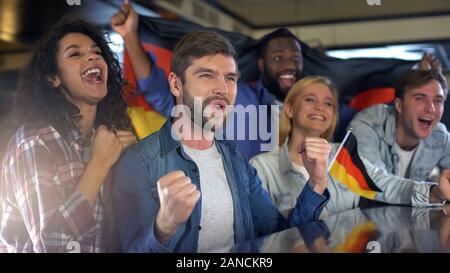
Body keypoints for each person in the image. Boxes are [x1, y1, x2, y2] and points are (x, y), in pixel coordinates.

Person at [107, 30, 330, 253]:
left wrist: (316, 183)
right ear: (176, 85)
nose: (222, 89)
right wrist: (163, 226)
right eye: (206, 75)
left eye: (230, 78)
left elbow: (281, 237)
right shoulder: (138, 161)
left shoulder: (238, 163)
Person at [0, 19, 137, 253]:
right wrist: (99, 163)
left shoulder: (108, 140)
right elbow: (53, 246)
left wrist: (136, 162)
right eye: (75, 54)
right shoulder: (34, 141)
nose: (93, 57)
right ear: (54, 78)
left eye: (97, 52)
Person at [110, 1, 302, 159]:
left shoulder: (309, 108)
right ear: (261, 64)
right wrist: (130, 37)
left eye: (296, 59)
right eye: (278, 58)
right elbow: (158, 91)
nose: (289, 65)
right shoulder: (233, 94)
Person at [250, 76, 450, 218]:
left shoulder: (344, 155)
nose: (320, 107)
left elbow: (387, 185)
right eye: (310, 100)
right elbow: (266, 234)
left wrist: (436, 193)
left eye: (328, 104)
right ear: (289, 109)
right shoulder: (262, 167)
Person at [349, 69, 450, 201]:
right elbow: (372, 184)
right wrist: (432, 193)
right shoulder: (368, 124)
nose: (431, 108)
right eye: (420, 98)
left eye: (438, 101)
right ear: (399, 105)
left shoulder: (439, 136)